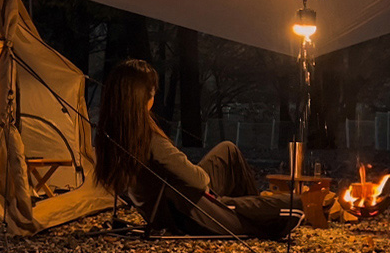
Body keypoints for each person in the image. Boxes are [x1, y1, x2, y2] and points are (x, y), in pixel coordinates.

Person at [94, 59, 303, 239]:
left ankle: (249, 205)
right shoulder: (147, 138)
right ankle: (247, 209)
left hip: (174, 206)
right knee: (294, 203)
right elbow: (199, 181)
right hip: (191, 211)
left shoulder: (117, 133)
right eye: (152, 91)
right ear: (145, 95)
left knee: (227, 150)